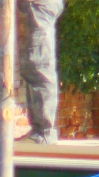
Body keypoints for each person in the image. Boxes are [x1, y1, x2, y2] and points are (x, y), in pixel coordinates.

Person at [18, 0, 64, 145]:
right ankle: (39, 130)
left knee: (39, 66)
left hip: (39, 6)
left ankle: (44, 132)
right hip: (35, 6)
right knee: (31, 67)